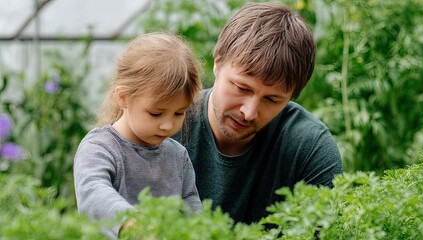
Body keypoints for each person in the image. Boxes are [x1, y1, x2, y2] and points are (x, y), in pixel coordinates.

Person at [173, 2, 343, 224]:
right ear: (217, 62)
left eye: (272, 99)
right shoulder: (165, 122)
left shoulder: (309, 147)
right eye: (242, 88)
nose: (249, 112)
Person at [73, 32, 203, 239]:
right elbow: (93, 192)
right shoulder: (100, 147)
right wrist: (130, 223)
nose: (168, 125)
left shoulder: (177, 156)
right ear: (123, 97)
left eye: (179, 113)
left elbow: (189, 203)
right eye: (155, 113)